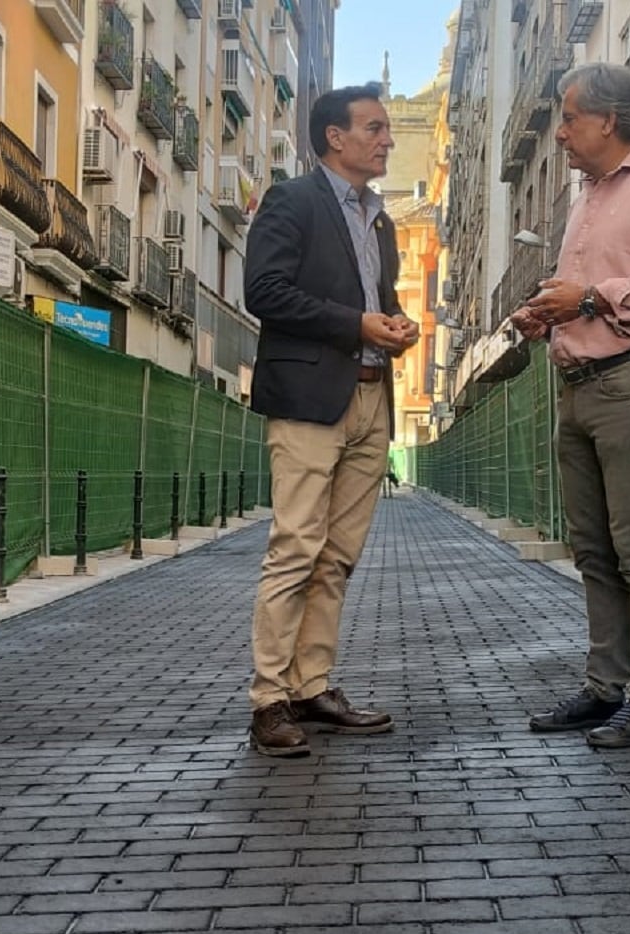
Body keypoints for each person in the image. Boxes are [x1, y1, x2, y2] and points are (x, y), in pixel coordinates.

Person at [511, 62, 630, 749]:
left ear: (609, 121)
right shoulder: (587, 197)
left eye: (568, 118)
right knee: (593, 550)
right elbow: (583, 289)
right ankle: (605, 689)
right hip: (578, 388)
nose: (560, 133)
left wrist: (590, 300)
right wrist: (549, 313)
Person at [243, 84, 420, 759]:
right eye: (374, 128)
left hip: (373, 398)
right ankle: (268, 701)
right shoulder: (292, 200)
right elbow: (265, 291)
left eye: (386, 129)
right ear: (334, 137)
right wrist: (356, 323)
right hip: (311, 400)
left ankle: (311, 685)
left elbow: (375, 297)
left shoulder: (381, 220)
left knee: (338, 556)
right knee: (295, 547)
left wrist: (393, 323)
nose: (386, 139)